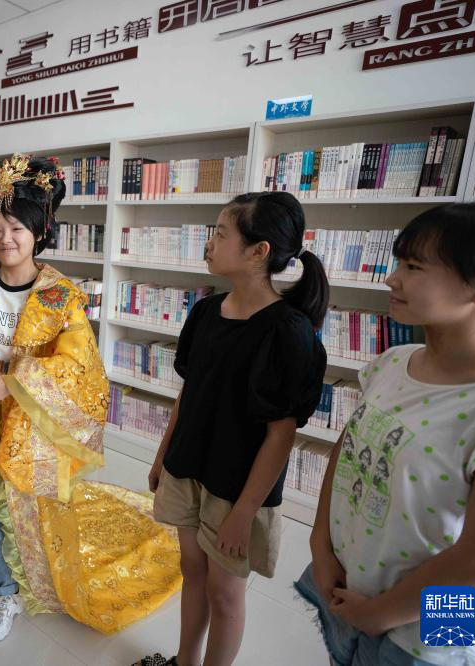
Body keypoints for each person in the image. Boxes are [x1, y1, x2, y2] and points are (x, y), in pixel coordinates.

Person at [0, 154, 182, 642]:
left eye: (17, 228)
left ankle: (30, 574)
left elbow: (79, 368)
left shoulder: (62, 296)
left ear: (40, 231)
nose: (6, 239)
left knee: (28, 507)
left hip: (34, 423)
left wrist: (12, 382)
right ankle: (3, 589)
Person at [298, 201, 475, 666]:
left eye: (413, 267)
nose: (392, 279)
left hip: (440, 626)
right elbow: (347, 454)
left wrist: (383, 613)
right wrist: (320, 545)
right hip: (359, 591)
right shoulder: (393, 363)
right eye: (398, 263)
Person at [140, 191, 329, 666]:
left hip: (238, 488)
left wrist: (244, 513)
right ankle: (185, 660)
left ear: (258, 251)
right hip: (188, 467)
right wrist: (163, 456)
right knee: (192, 571)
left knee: (225, 593)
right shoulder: (206, 312)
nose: (209, 243)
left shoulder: (288, 331)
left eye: (221, 234)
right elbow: (189, 393)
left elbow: (281, 434)